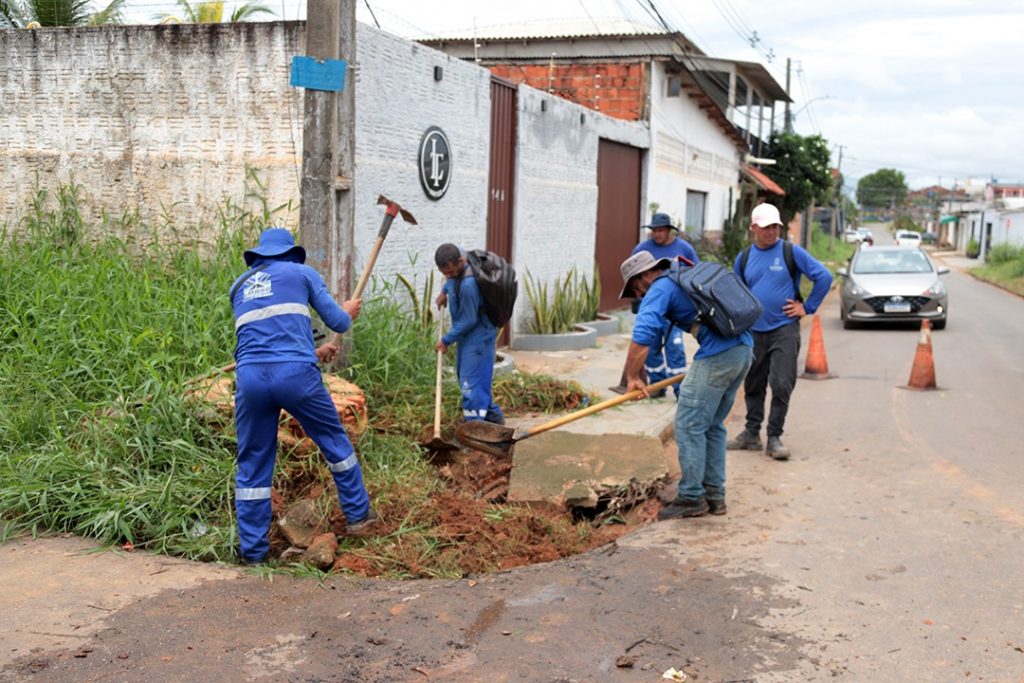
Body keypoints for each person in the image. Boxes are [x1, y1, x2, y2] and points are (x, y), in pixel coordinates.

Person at [230, 227, 378, 565]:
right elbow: (337, 321)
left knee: (252, 464)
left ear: (259, 257)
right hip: (296, 376)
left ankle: (253, 553)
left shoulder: (238, 286)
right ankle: (359, 517)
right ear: (290, 254)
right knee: (334, 443)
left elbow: (267, 340)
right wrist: (349, 312)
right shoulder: (302, 273)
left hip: (250, 378)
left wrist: (314, 350)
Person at [620, 251, 753, 519]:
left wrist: (632, 378)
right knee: (712, 425)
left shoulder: (660, 287)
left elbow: (642, 334)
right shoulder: (680, 277)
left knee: (688, 425)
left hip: (719, 356)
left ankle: (692, 496)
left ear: (646, 274)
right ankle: (715, 495)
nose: (638, 292)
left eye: (635, 286)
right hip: (744, 350)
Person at [726, 203, 833, 461]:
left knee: (782, 383)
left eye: (775, 226)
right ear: (753, 228)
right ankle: (752, 433)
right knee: (753, 383)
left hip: (783, 329)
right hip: (753, 332)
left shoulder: (790, 252)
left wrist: (806, 307)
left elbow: (824, 277)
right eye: (766, 227)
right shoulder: (744, 258)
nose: (772, 231)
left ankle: (774, 437)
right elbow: (736, 291)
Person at [630, 213, 700, 397]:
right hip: (652, 308)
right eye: (654, 230)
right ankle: (657, 385)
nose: (657, 234)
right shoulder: (642, 249)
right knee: (651, 347)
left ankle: (679, 389)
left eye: (660, 230)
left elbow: (697, 273)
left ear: (669, 230)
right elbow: (633, 277)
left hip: (675, 312)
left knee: (674, 348)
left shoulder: (684, 248)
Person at [434, 243, 505, 425]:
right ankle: (496, 423)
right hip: (467, 337)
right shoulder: (457, 268)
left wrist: (446, 340)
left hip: (479, 337)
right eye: (444, 273)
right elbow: (451, 280)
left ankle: (474, 429)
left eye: (450, 272)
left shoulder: (469, 285)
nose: (447, 276)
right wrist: (444, 292)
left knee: (471, 385)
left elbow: (468, 320)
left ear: (460, 261)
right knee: (472, 380)